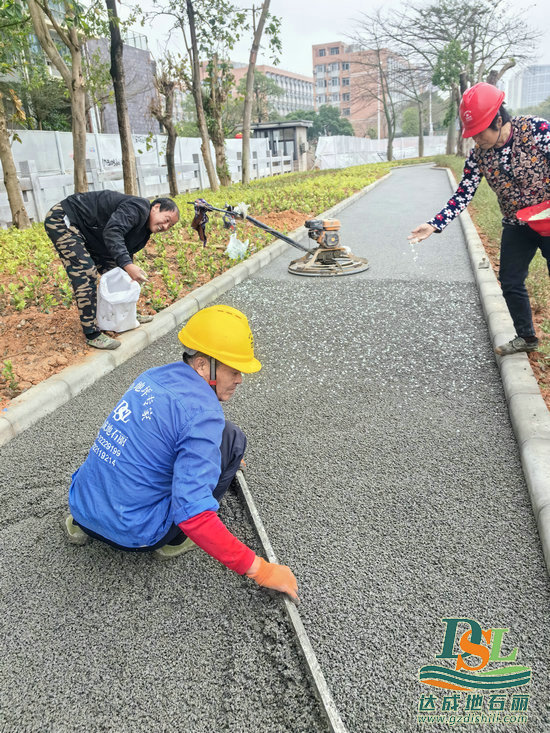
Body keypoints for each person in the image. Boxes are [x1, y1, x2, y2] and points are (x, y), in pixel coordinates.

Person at [64, 304, 299, 602]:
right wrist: (261, 570)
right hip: (135, 534)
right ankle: (172, 541)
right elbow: (194, 516)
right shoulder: (203, 414)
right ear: (203, 366)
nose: (240, 379)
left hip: (81, 508)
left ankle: (85, 523)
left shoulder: (151, 378)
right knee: (233, 440)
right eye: (234, 370)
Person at [409, 82, 550, 356]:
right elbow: (463, 193)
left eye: (479, 132)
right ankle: (526, 337)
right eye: (471, 134)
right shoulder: (479, 156)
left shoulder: (538, 131)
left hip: (548, 219)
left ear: (498, 120)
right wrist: (435, 223)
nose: (475, 139)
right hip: (516, 224)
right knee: (510, 282)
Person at [44, 191, 180, 350]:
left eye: (169, 226)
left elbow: (124, 250)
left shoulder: (144, 232)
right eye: (166, 220)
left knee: (117, 273)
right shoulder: (138, 208)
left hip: (91, 233)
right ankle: (92, 334)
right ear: (156, 207)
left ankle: (126, 316)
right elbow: (113, 232)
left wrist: (126, 268)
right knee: (85, 271)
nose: (165, 227)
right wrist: (128, 265)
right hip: (66, 219)